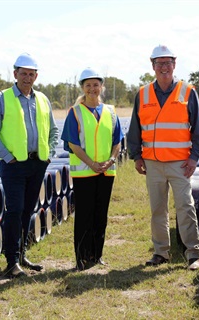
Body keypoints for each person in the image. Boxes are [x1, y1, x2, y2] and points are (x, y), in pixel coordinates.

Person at [127, 44, 199, 271]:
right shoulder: (142, 94)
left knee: (185, 207)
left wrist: (194, 158)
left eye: (168, 62)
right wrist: (136, 156)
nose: (164, 67)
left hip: (180, 163)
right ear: (152, 66)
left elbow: (198, 128)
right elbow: (135, 128)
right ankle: (161, 252)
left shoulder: (187, 92)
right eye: (159, 63)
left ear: (175, 64)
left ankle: (193, 254)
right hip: (152, 163)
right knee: (157, 209)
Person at [0, 52, 59, 278]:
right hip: (14, 166)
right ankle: (11, 262)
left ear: (36, 76)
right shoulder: (2, 98)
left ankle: (21, 255)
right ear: (15, 74)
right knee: (14, 211)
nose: (27, 78)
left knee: (27, 210)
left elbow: (54, 131)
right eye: (23, 74)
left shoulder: (43, 100)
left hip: (37, 165)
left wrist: (49, 155)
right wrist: (8, 157)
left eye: (31, 74)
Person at [61, 67, 124, 271]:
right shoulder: (75, 112)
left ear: (101, 87)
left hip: (106, 172)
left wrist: (111, 160)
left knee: (101, 215)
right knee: (84, 216)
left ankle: (97, 255)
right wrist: (91, 163)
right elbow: (73, 144)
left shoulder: (111, 112)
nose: (92, 88)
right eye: (88, 85)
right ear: (82, 88)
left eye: (96, 85)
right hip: (84, 173)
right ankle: (81, 257)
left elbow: (118, 142)